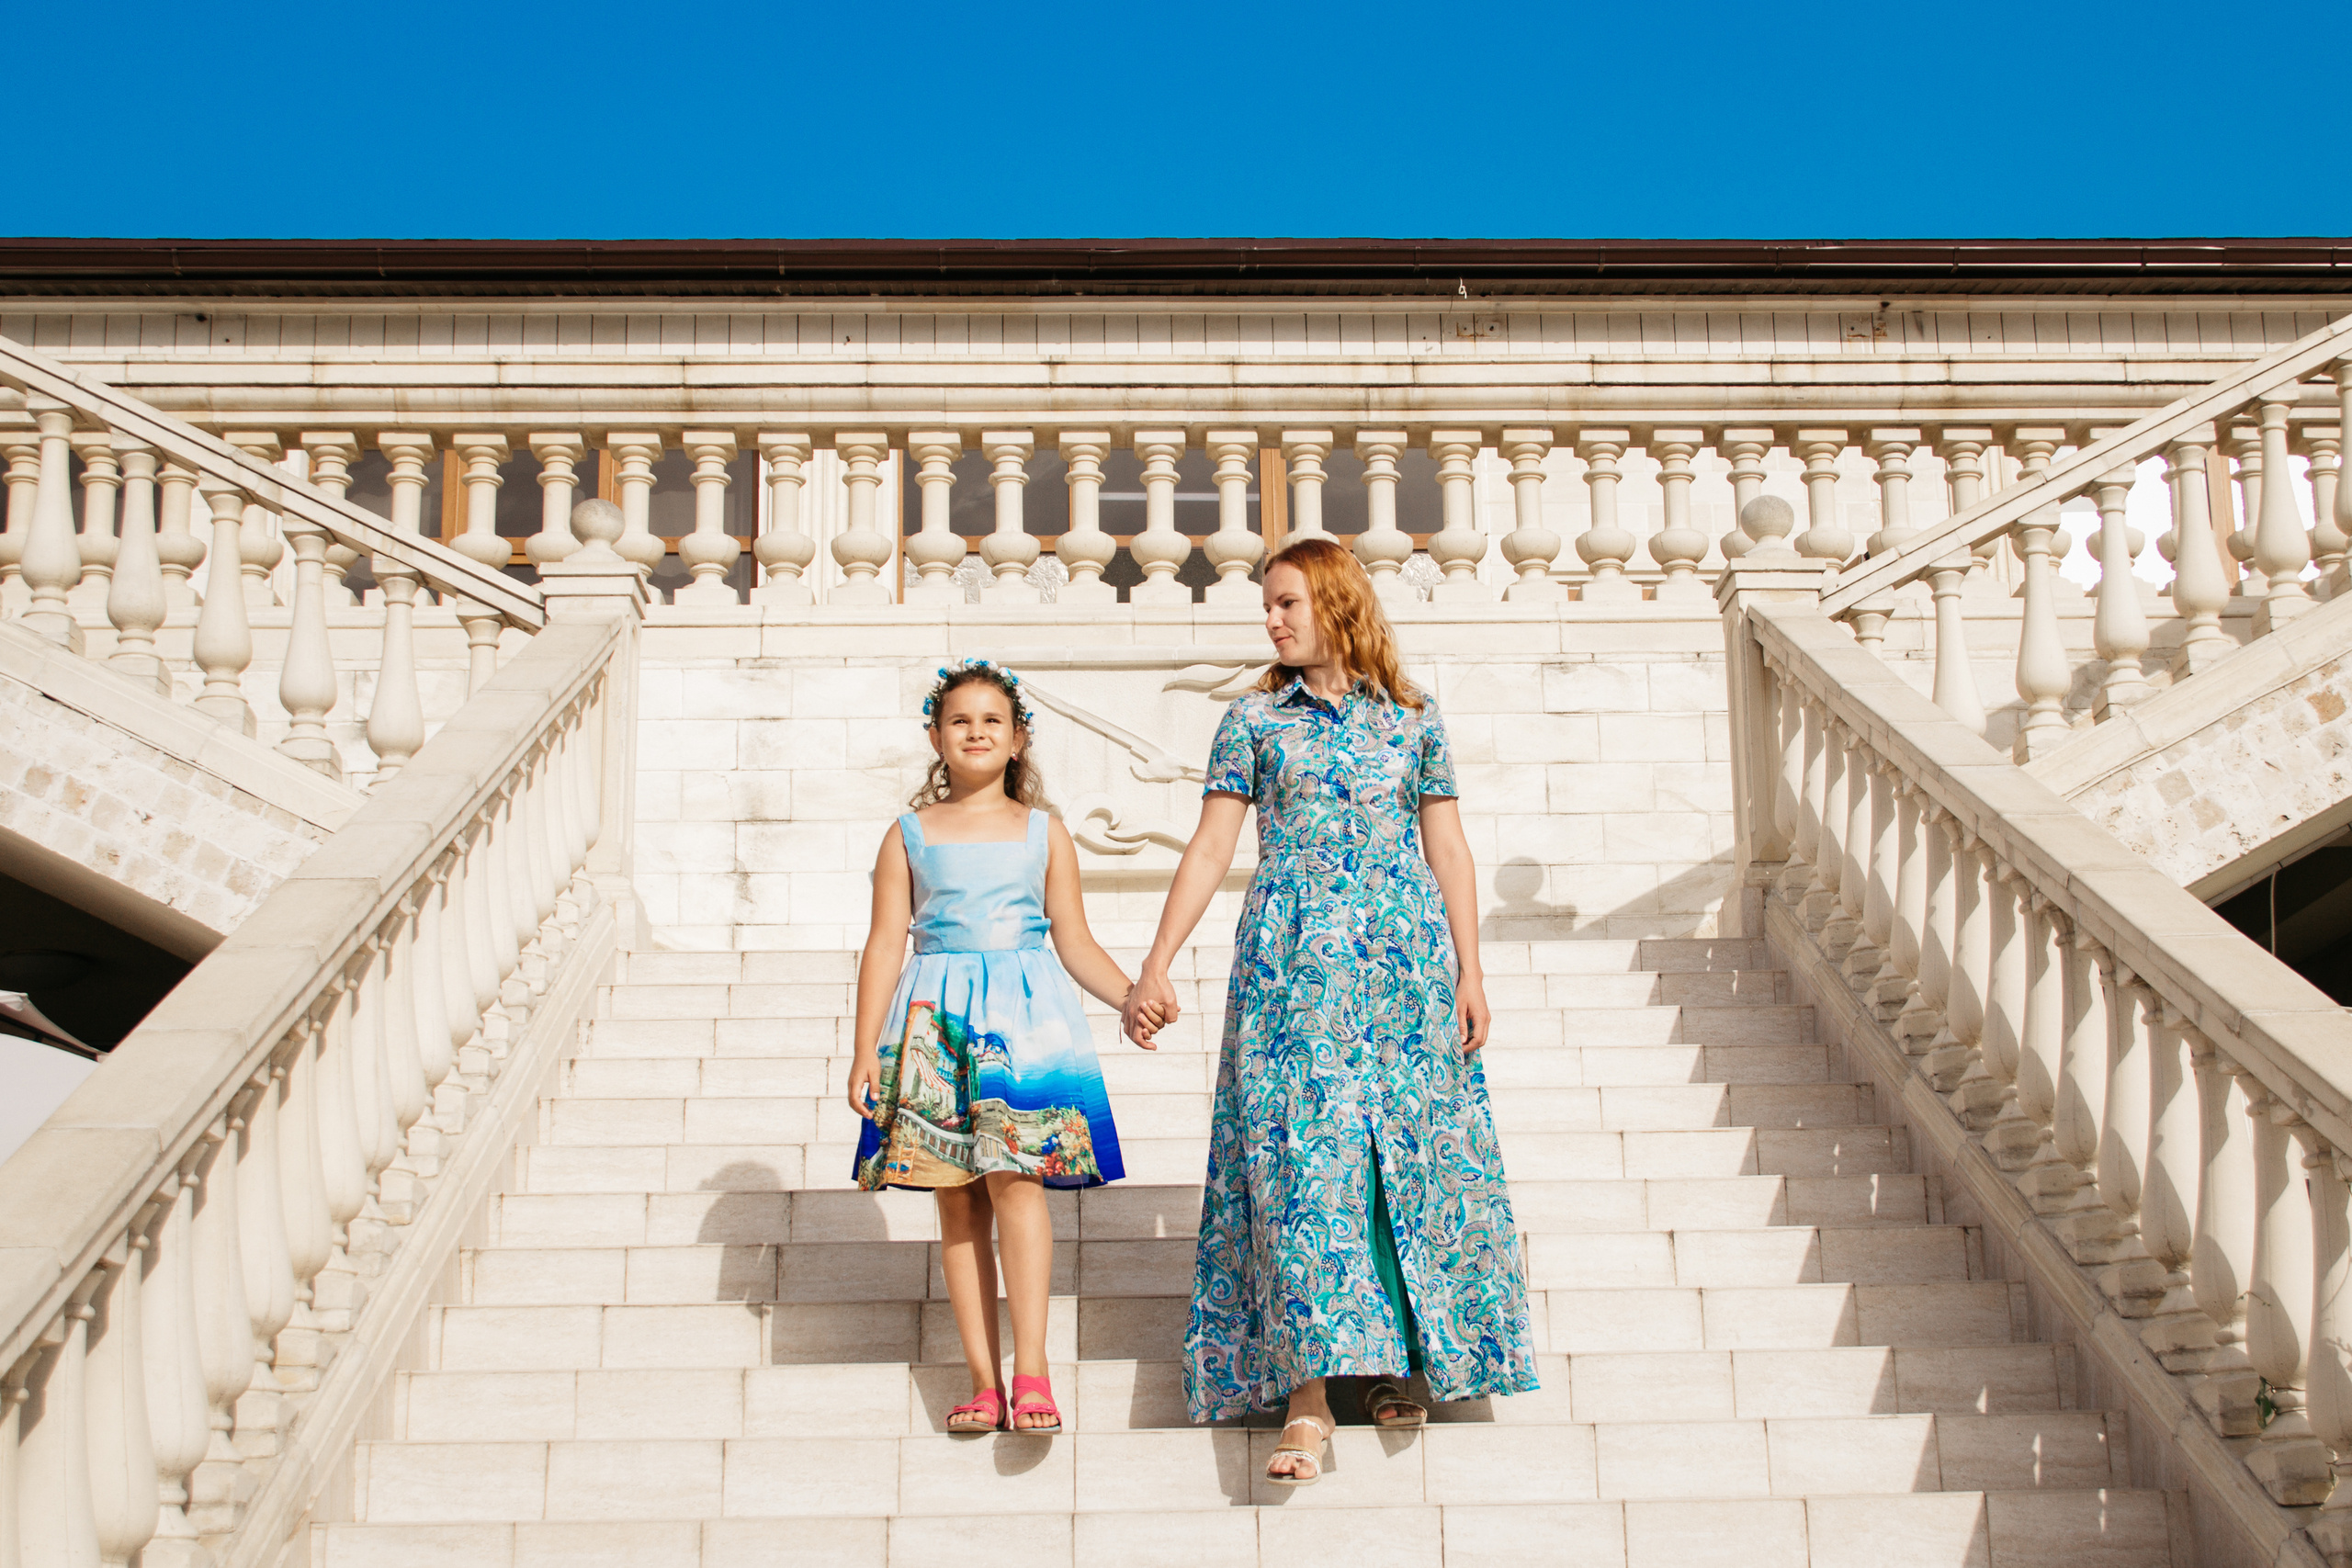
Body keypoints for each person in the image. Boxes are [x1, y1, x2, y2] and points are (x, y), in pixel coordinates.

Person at [1121, 537, 1539, 1486]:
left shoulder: (1412, 719)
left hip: (1403, 969)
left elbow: (1449, 848)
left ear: (1337, 604)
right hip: (1292, 967)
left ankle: (1392, 1364)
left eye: (1287, 603)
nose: (1271, 620)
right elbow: (1209, 847)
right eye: (1267, 605)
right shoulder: (1253, 720)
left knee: (1403, 1158)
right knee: (1299, 1165)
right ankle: (1307, 1398)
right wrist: (1155, 962)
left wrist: (1471, 970)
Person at [847, 659, 1151, 1435]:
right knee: (957, 1198)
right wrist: (864, 1049)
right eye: (960, 720)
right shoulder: (907, 834)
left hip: (1024, 1026)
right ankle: (982, 1380)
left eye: (992, 720)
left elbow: (1073, 939)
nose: (976, 731)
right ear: (936, 736)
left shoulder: (1046, 832)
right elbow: (884, 943)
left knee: (1018, 1185)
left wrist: (1130, 996)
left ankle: (1033, 1370)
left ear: (1018, 739)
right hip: (935, 1026)